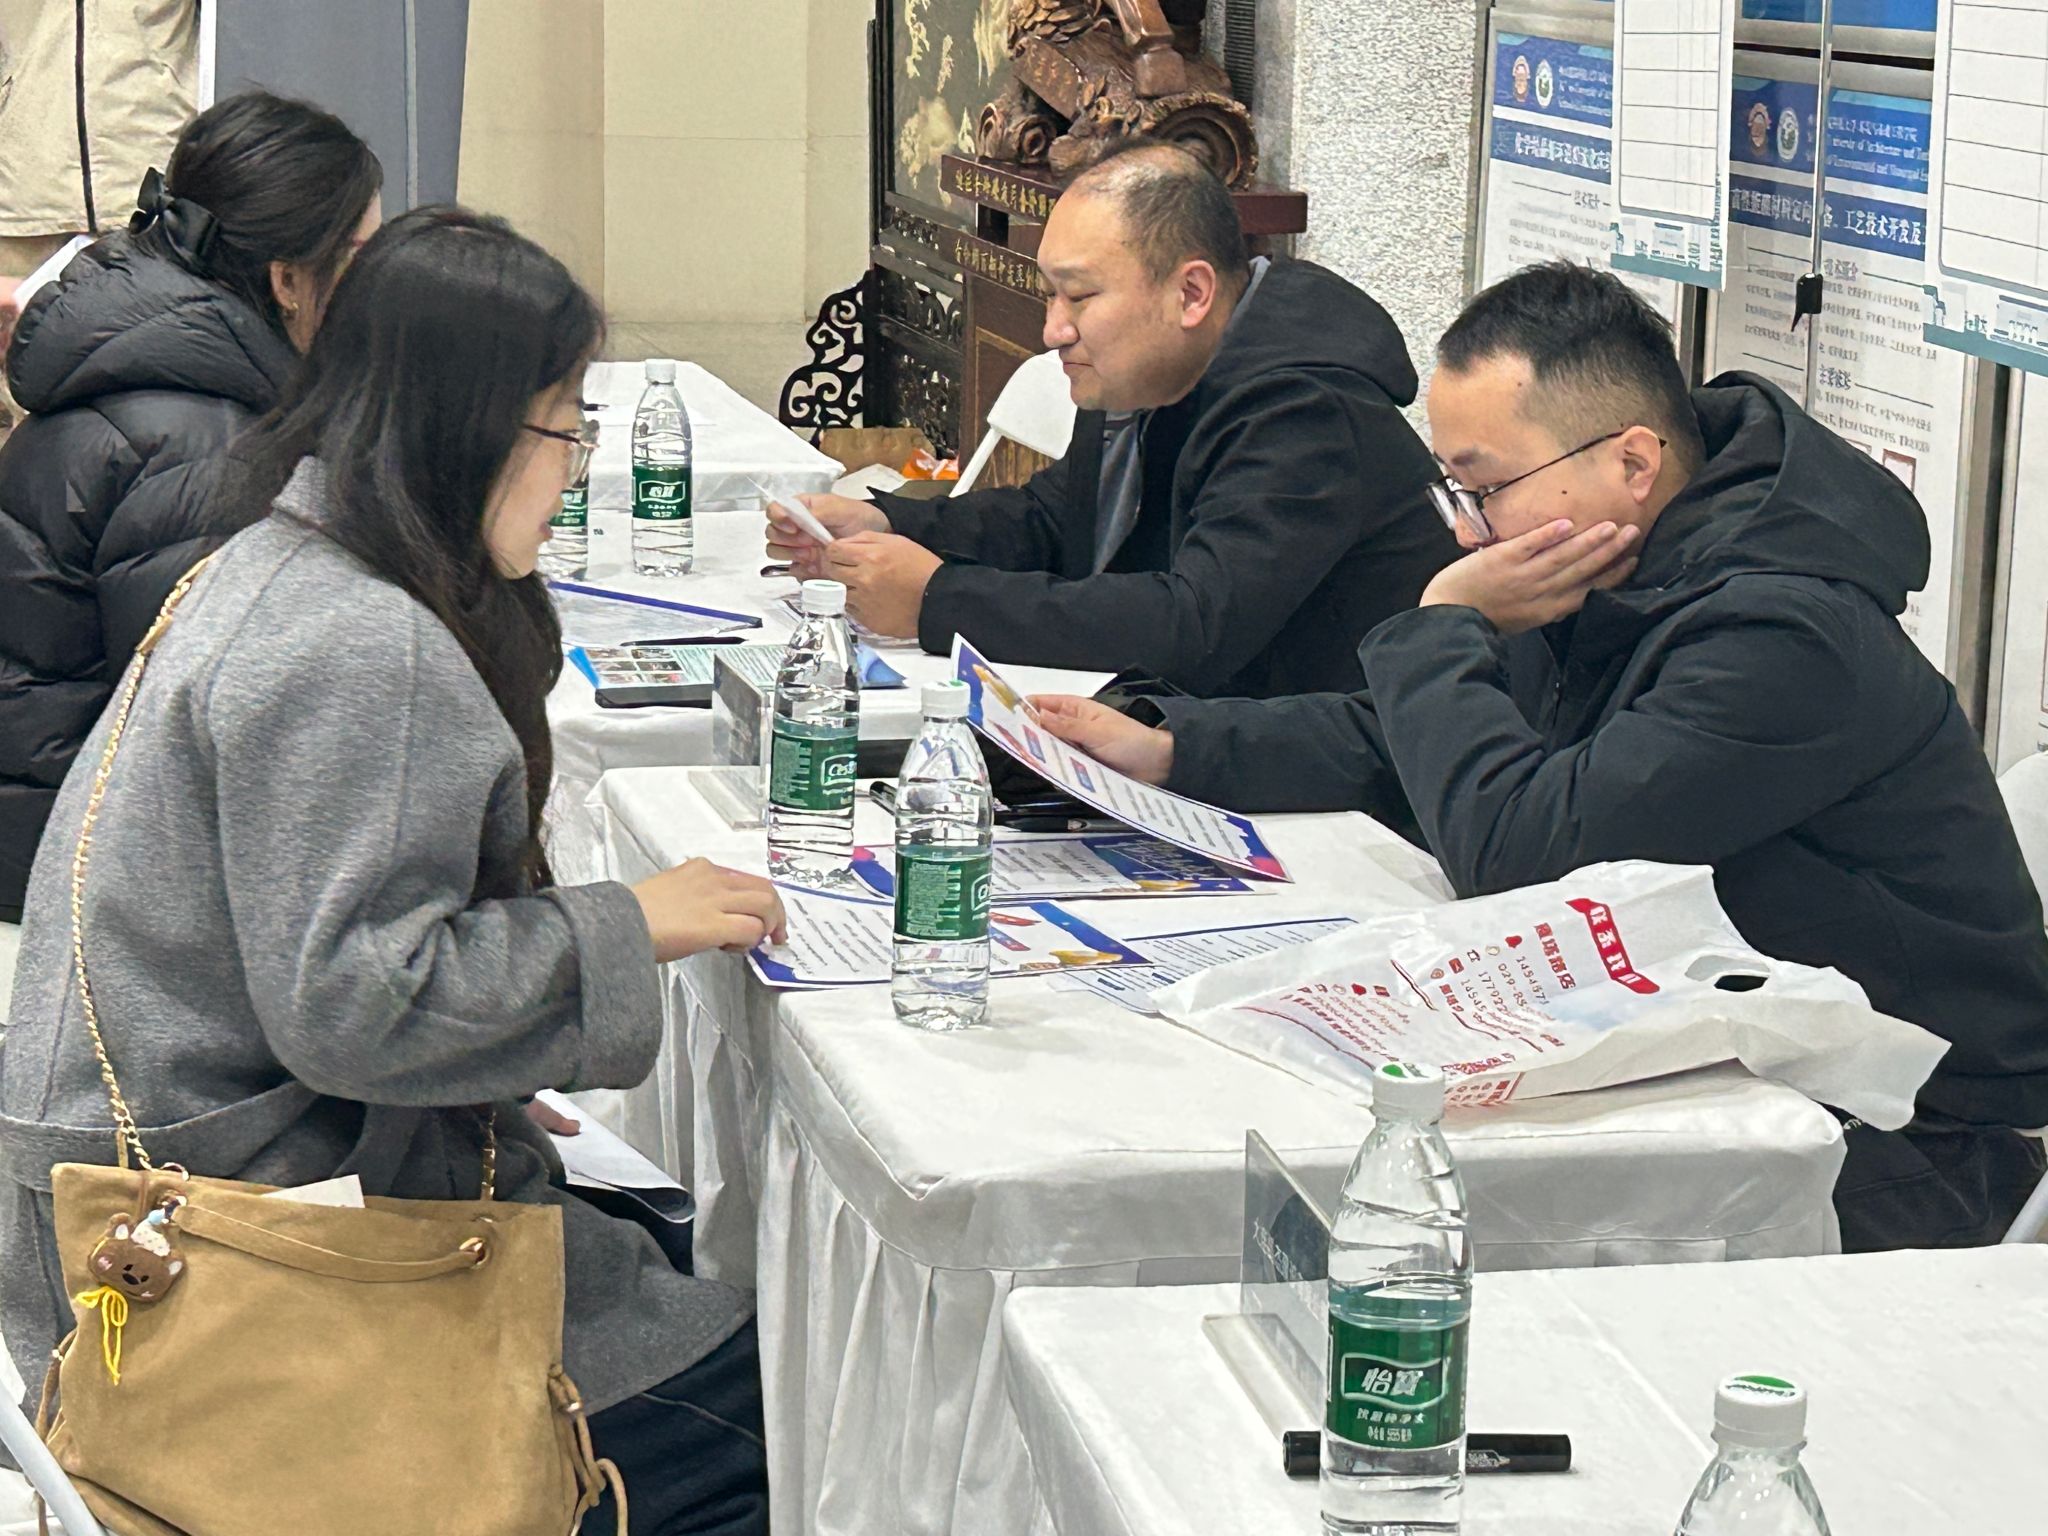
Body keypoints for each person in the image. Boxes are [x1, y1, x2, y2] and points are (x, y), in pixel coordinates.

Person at [0, 208, 781, 1534]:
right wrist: (622, 926)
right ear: (471, 428)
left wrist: (483, 1072)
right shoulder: (364, 641)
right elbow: (360, 1006)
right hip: (232, 1237)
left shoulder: (280, 557)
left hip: (163, 1179)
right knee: (785, 1410)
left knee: (668, 1250)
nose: (572, 469)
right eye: (564, 428)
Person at [1033, 261, 2048, 1251]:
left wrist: (1444, 623)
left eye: (1485, 488)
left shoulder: (1783, 637)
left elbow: (1524, 854)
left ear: (1633, 463)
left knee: (1405, 1226)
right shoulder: (1620, 561)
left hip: (1915, 1138)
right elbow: (1413, 743)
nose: (1466, 531)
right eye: (1453, 492)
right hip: (1715, 1055)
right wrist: (1173, 746)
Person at [764, 137, 1451, 700]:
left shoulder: (1306, 411)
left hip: (1332, 776)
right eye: (1049, 295)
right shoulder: (1145, 369)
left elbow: (1195, 626)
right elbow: (1056, 519)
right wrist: (892, 524)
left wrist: (937, 600)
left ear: (1191, 293)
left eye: (1079, 296)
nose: (1053, 331)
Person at [0, 90, 384, 924]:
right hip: (87, 883)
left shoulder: (153, 366)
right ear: (287, 279)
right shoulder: (205, 447)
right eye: (362, 254)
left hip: (58, 832)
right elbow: (212, 728)